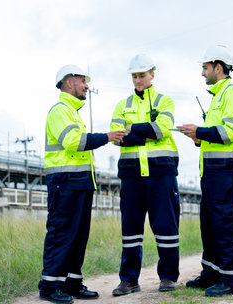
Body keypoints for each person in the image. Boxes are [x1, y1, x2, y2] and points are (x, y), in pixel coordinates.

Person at [38, 64, 127, 304]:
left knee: (78, 235)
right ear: (69, 82)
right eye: (83, 81)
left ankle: (72, 283)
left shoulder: (72, 112)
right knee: (62, 233)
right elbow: (74, 142)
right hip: (64, 182)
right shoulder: (60, 110)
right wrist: (107, 137)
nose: (87, 86)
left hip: (79, 182)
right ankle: (49, 285)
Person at [177, 45, 233, 297]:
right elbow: (216, 136)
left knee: (228, 225)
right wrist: (198, 138)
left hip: (229, 172)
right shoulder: (218, 97)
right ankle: (211, 274)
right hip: (213, 173)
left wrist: (199, 131)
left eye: (205, 68)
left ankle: (232, 280)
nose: (202, 73)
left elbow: (232, 132)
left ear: (218, 67)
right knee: (210, 226)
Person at [110, 54, 180, 296]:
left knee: (166, 227)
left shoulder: (165, 101)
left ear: (152, 74)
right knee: (130, 229)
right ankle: (128, 280)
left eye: (142, 75)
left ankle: (169, 277)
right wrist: (145, 132)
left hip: (162, 171)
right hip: (131, 174)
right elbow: (117, 137)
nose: (138, 80)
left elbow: (162, 130)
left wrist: (132, 129)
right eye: (134, 76)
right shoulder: (122, 104)